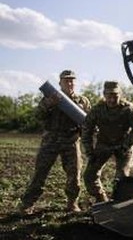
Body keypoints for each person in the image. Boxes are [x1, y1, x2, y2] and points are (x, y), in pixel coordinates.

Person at [18, 70, 91, 214]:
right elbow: (37, 116)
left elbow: (89, 123)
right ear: (60, 83)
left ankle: (72, 203)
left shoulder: (83, 101)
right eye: (66, 80)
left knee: (74, 175)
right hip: (50, 141)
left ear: (75, 83)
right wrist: (49, 104)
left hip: (71, 141)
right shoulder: (50, 97)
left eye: (72, 80)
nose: (69, 83)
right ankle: (27, 204)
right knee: (40, 173)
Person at [82, 81, 133, 203]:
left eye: (115, 95)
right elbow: (86, 131)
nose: (112, 99)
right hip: (103, 144)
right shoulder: (97, 110)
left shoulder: (129, 109)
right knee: (89, 175)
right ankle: (101, 199)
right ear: (104, 94)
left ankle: (119, 204)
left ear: (120, 94)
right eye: (109, 95)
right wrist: (90, 152)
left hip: (123, 145)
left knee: (122, 178)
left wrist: (125, 146)